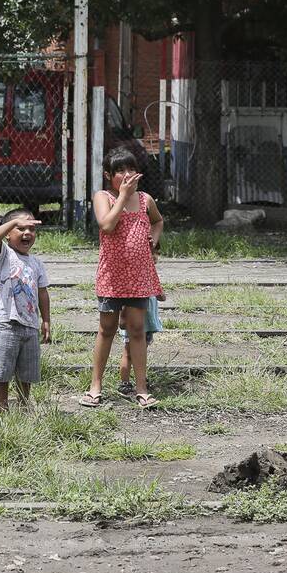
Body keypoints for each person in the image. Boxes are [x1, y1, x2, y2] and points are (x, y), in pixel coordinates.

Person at [80, 146, 163, 409]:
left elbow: (158, 222)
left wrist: (154, 240)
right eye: (120, 171)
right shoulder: (103, 197)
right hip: (112, 277)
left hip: (138, 276)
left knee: (137, 330)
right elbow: (107, 225)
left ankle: (141, 387)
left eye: (130, 169)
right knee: (106, 329)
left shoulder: (146, 199)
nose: (126, 175)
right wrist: (123, 196)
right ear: (108, 175)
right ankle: (95, 385)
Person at [0, 208, 51, 411]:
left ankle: (24, 404)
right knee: (2, 368)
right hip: (7, 323)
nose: (27, 233)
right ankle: (2, 406)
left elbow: (43, 293)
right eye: (20, 228)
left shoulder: (36, 263)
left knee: (27, 371)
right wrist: (9, 224)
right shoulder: (5, 254)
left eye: (31, 229)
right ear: (8, 233)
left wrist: (46, 320)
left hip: (30, 325)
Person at [117, 296, 163, 396]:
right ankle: (125, 382)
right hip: (133, 323)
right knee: (128, 353)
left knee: (140, 353)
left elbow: (160, 294)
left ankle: (140, 379)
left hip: (146, 323)